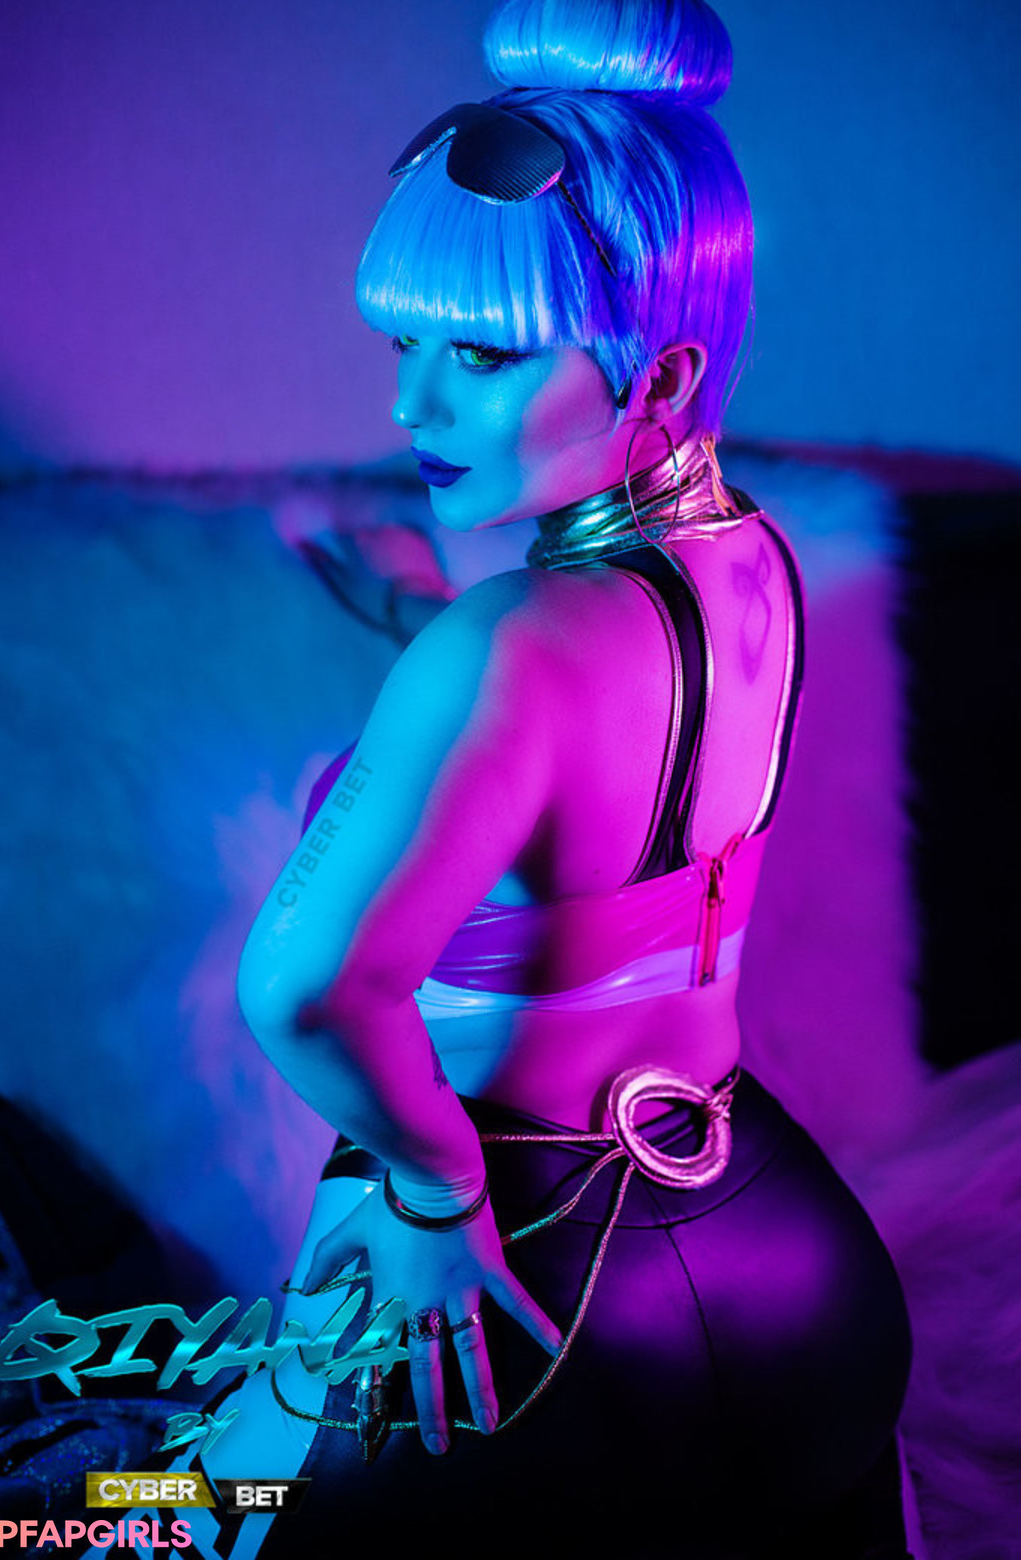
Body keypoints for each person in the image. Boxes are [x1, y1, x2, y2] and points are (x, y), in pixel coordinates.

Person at [197, 2, 915, 1555]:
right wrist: (420, 621)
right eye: (403, 343)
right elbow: (618, 748)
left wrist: (434, 1196)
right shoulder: (758, 563)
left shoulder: (507, 647)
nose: (410, 405)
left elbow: (302, 988)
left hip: (524, 1296)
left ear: (659, 379)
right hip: (792, 1265)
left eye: (482, 352)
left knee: (147, 1518)